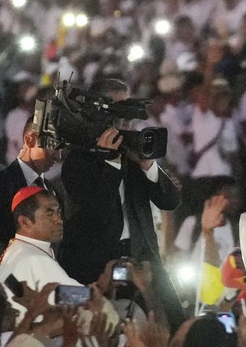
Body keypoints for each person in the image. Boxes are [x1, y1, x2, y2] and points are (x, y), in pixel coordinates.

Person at [57, 103, 183, 324]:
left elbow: (170, 201)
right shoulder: (78, 161)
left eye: (129, 122)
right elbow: (97, 212)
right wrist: (111, 163)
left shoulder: (134, 157)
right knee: (108, 328)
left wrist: (148, 165)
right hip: (99, 263)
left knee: (174, 322)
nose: (126, 129)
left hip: (143, 256)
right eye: (119, 121)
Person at [0, 115, 61, 250]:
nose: (58, 156)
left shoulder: (52, 190)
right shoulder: (2, 184)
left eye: (61, 148)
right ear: (30, 140)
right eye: (52, 146)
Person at [0, 187, 83, 293]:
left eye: (58, 212)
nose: (59, 220)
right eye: (49, 214)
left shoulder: (19, 248)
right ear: (25, 222)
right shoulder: (34, 259)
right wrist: (100, 289)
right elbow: (73, 297)